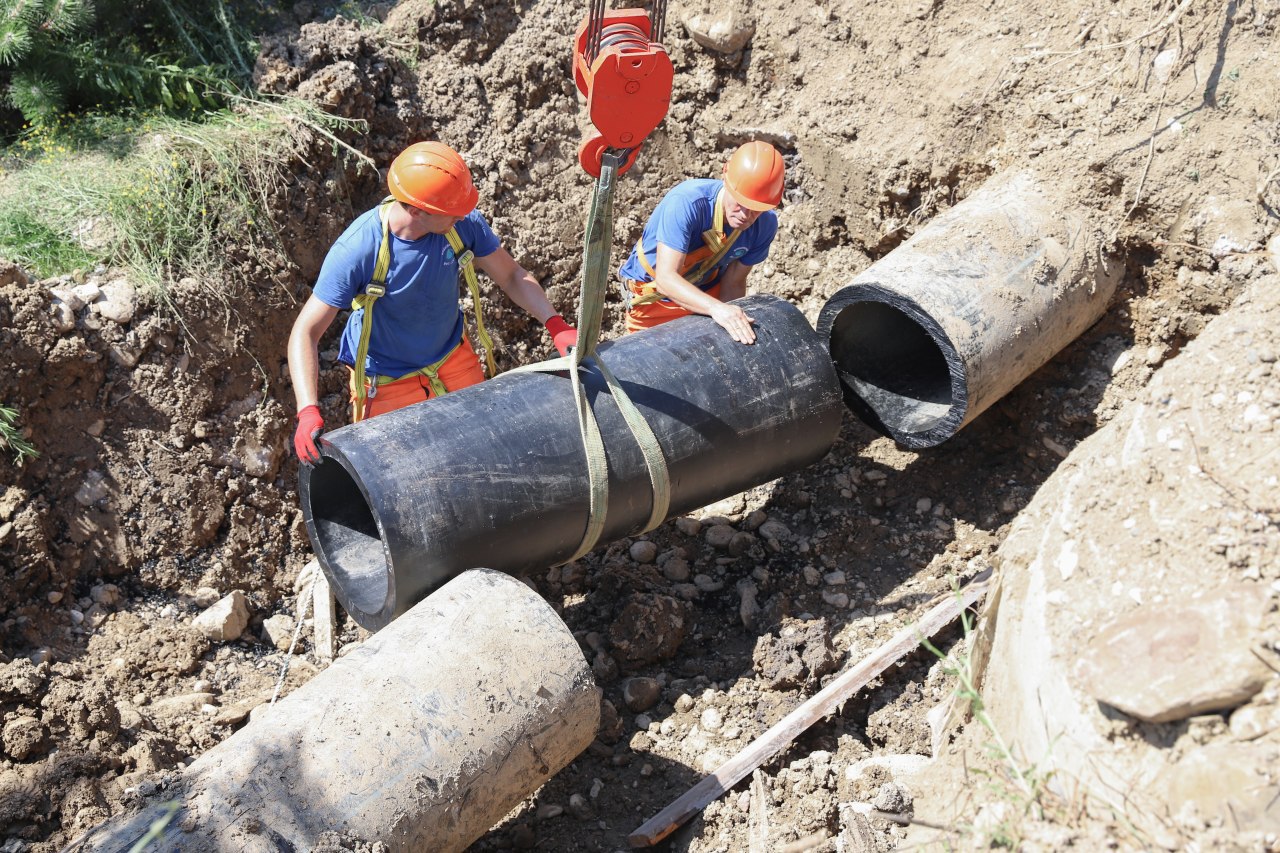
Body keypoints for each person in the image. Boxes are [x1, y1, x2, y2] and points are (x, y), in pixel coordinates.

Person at [288, 141, 578, 466]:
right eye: (451, 213)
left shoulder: (460, 224)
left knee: (488, 454)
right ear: (415, 210)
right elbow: (306, 331)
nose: (463, 216)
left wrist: (556, 324)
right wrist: (308, 409)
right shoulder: (358, 250)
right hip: (386, 383)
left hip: (454, 360)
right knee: (402, 476)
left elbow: (510, 276)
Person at [617, 140, 784, 344]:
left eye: (756, 208)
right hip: (657, 300)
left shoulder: (765, 225)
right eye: (740, 202)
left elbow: (733, 282)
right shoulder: (687, 203)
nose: (745, 215)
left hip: (707, 290)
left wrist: (731, 331)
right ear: (725, 178)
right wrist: (717, 310)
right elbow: (665, 279)